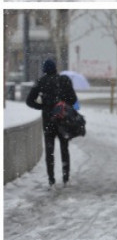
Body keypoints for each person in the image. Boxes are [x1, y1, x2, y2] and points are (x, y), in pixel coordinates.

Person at [26, 58, 77, 186]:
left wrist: (42, 106)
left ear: (44, 70)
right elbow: (73, 99)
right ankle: (66, 177)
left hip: (48, 120)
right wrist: (63, 105)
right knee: (64, 148)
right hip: (62, 119)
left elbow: (29, 101)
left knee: (50, 150)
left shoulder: (41, 82)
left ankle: (51, 179)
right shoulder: (64, 80)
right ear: (55, 68)